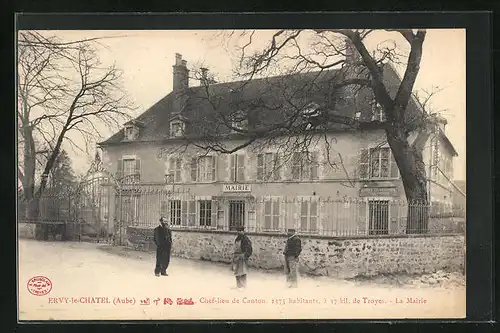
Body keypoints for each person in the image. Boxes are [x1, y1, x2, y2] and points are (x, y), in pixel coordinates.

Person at [232, 226, 252, 290]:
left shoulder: (245, 239)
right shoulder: (237, 238)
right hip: (236, 257)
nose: (239, 232)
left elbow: (249, 248)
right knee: (236, 272)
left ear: (243, 231)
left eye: (240, 231)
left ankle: (243, 285)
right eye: (238, 231)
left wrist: (246, 255)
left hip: (242, 257)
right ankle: (238, 285)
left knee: (243, 271)